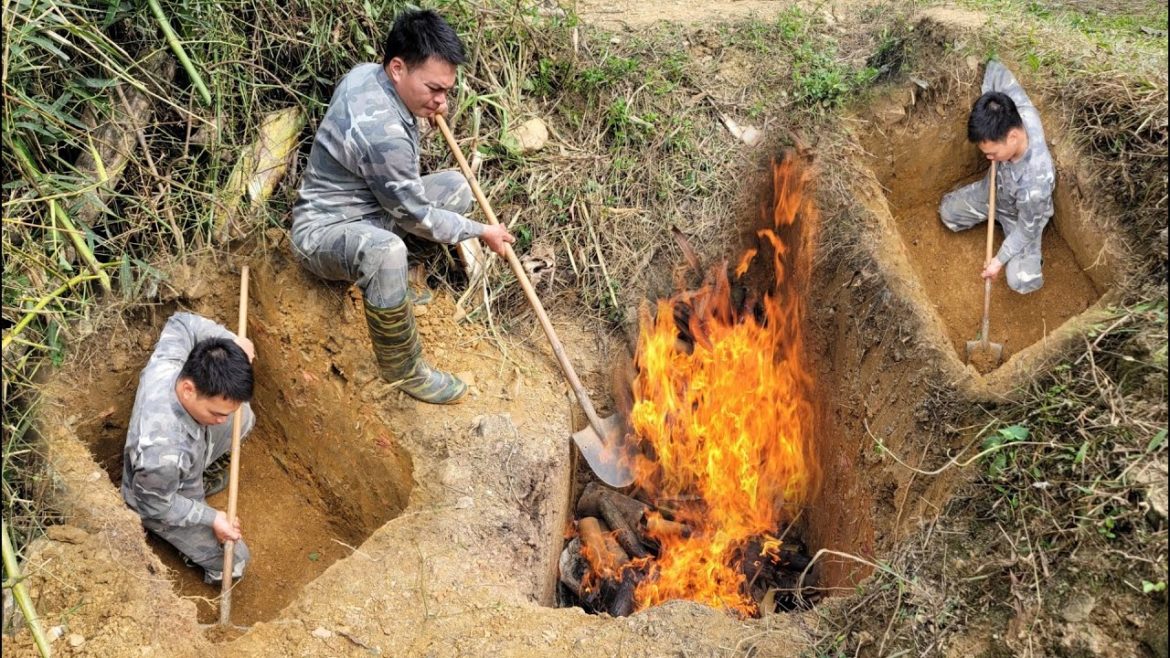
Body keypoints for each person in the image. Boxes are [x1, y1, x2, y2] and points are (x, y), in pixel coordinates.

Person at [290, 9, 514, 404]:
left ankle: (389, 286)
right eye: (433, 89)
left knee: (456, 187)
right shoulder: (384, 135)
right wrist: (482, 231)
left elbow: (405, 189)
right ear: (397, 68)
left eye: (446, 90)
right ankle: (404, 369)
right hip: (323, 230)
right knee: (387, 251)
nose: (442, 102)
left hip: (369, 207)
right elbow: (417, 215)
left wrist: (423, 109)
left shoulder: (367, 74)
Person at [121, 312, 256, 584]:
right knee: (235, 562)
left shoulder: (169, 363)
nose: (224, 419)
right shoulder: (162, 455)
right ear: (188, 389)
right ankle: (192, 553)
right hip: (156, 496)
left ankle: (200, 478)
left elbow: (181, 321)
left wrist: (232, 342)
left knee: (245, 418)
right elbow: (153, 504)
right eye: (217, 413)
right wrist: (211, 518)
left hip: (186, 455)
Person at [939, 59, 1055, 294]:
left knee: (1021, 281)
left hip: (1022, 217)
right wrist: (986, 102)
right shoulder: (1014, 107)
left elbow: (1025, 229)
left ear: (1013, 137)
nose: (989, 158)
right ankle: (993, 215)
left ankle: (1032, 257)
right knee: (948, 214)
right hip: (993, 192)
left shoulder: (1036, 184)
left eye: (992, 153)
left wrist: (998, 260)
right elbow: (995, 68)